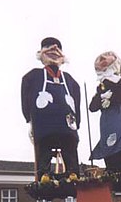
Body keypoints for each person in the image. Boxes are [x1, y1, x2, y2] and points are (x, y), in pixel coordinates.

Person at [21, 37, 81, 181]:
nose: (54, 48)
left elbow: (77, 98)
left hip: (67, 121)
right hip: (44, 120)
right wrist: (28, 117)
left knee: (70, 145)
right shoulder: (33, 75)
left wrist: (77, 121)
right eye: (48, 46)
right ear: (40, 53)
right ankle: (44, 174)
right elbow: (25, 95)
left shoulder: (69, 79)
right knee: (44, 145)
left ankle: (73, 172)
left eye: (58, 47)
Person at [89, 51, 121, 173]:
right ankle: (112, 168)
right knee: (108, 143)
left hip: (120, 115)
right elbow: (92, 107)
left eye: (108, 55)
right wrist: (102, 97)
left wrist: (108, 97)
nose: (103, 57)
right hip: (107, 119)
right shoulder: (101, 86)